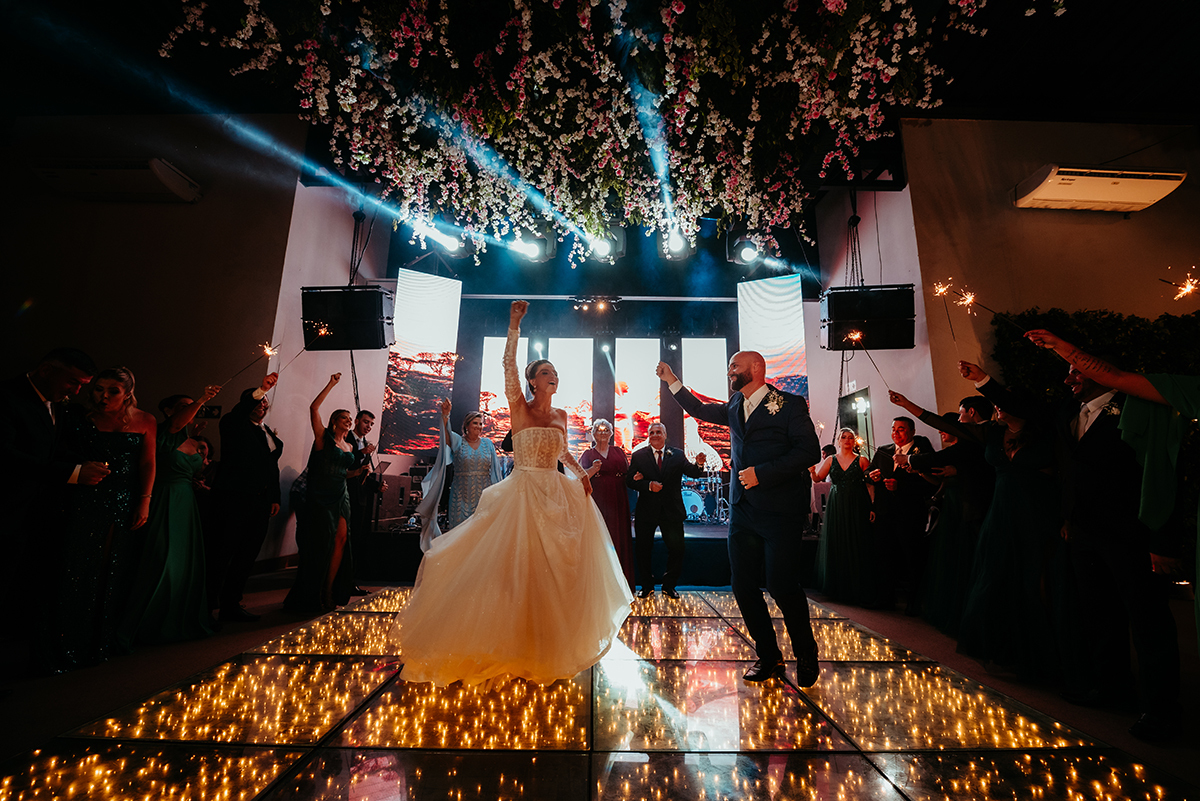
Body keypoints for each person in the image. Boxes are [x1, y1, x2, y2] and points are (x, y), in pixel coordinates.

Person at [390, 300, 631, 687]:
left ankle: (546, 641)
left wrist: (581, 475)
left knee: (554, 570)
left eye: (555, 372)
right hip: (522, 492)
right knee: (516, 568)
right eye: (546, 372)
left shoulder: (561, 416)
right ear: (532, 381)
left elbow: (563, 452)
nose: (553, 376)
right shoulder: (519, 407)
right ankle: (509, 642)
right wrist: (514, 324)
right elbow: (508, 367)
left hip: (555, 492)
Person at [1025, 329, 1185, 741]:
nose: (1068, 379)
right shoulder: (1069, 411)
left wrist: (1161, 540)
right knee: (1099, 612)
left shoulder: (1138, 409)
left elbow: (1161, 473)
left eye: (1076, 371)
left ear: (1104, 372)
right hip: (1084, 530)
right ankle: (1112, 686)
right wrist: (1068, 519)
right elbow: (1069, 470)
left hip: (1131, 532)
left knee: (1147, 620)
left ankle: (1162, 709)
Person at [657, 352, 821, 687]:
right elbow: (699, 409)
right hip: (743, 510)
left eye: (734, 366)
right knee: (742, 585)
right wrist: (671, 380)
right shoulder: (734, 405)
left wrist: (762, 473)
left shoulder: (790, 405)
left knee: (781, 586)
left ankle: (806, 652)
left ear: (756, 368)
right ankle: (769, 655)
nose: (729, 371)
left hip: (780, 511)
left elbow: (809, 452)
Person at [956, 360, 1065, 680]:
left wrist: (982, 379)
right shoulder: (993, 433)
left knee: (1034, 582)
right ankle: (1002, 648)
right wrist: (909, 405)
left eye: (1004, 401)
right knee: (994, 579)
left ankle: (1043, 656)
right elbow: (950, 426)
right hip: (1001, 513)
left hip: (1036, 511)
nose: (998, 407)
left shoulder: (1044, 432)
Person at [49, 367, 156, 670]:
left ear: (128, 394)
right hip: (82, 497)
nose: (103, 396)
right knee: (76, 568)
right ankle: (66, 642)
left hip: (123, 499)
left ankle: (100, 641)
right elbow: (58, 453)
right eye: (99, 389)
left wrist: (144, 500)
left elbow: (148, 463)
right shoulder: (79, 418)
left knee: (112, 569)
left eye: (112, 391)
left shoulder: (145, 420)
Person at [0, 348, 100, 657]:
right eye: (73, 382)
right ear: (46, 370)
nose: (77, 391)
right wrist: (73, 473)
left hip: (31, 513)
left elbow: (48, 448)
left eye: (82, 385)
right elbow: (7, 457)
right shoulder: (7, 398)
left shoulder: (54, 403)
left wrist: (85, 462)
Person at [119, 385, 222, 646]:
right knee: (160, 558)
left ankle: (180, 618)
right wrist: (202, 398)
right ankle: (147, 622)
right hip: (162, 497)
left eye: (192, 406)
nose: (191, 410)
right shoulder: (163, 432)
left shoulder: (194, 442)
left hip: (186, 503)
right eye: (183, 407)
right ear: (168, 411)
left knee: (185, 562)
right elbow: (175, 427)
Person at [210, 373, 283, 622]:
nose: (262, 405)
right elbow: (241, 412)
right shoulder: (233, 423)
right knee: (224, 551)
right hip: (235, 498)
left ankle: (231, 604)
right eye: (258, 401)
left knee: (247, 554)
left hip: (260, 501)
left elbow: (271, 466)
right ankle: (207, 605)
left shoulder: (266, 432)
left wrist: (274, 496)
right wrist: (261, 389)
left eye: (265, 402)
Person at [286, 373, 357, 614]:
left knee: (341, 539)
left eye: (350, 418)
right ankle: (313, 592)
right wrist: (331, 384)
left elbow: (342, 472)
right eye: (344, 417)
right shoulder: (323, 437)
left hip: (341, 493)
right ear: (334, 421)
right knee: (322, 543)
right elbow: (313, 408)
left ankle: (329, 589)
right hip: (321, 494)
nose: (349, 421)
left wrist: (357, 473)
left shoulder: (349, 446)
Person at [626, 422, 707, 599]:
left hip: (672, 511)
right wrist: (648, 485)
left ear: (665, 435)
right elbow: (629, 480)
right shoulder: (639, 455)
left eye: (658, 432)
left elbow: (693, 472)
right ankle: (647, 586)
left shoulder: (677, 454)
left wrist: (699, 464)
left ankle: (669, 586)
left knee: (677, 549)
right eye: (652, 432)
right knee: (643, 550)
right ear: (648, 436)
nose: (655, 435)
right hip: (647, 511)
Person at [866, 416, 936, 613]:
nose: (895, 433)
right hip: (884, 512)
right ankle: (885, 598)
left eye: (901, 429)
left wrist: (901, 486)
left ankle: (915, 602)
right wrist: (871, 475)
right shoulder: (884, 451)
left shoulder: (922, 453)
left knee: (912, 557)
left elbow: (930, 484)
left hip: (910, 513)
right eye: (893, 429)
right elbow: (869, 471)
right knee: (884, 556)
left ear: (912, 431)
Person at [415, 401, 503, 551]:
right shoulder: (457, 441)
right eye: (475, 423)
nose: (479, 426)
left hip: (483, 498)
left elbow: (495, 471)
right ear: (466, 426)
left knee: (482, 538)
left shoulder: (488, 444)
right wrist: (445, 415)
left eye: (481, 424)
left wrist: (498, 496)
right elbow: (445, 434)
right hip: (460, 497)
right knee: (458, 538)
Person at [811, 428, 874, 605]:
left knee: (856, 540)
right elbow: (818, 478)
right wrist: (812, 471)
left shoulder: (862, 460)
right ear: (838, 441)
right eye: (844, 437)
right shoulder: (831, 460)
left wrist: (872, 506)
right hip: (837, 504)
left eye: (850, 437)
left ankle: (856, 585)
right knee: (837, 539)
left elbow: (870, 485)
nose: (847, 440)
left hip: (857, 503)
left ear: (854, 441)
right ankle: (837, 586)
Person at [581, 418, 635, 589]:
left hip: (618, 500)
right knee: (599, 536)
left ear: (611, 433)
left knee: (618, 535)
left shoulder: (619, 452)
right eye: (599, 430)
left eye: (606, 430)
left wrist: (636, 477)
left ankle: (620, 584)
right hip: (597, 500)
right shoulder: (587, 455)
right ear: (593, 434)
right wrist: (593, 470)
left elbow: (628, 475)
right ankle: (599, 584)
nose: (603, 433)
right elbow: (580, 479)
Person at [344, 410, 380, 596]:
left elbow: (363, 472)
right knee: (346, 540)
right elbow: (348, 464)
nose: (369, 426)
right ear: (356, 421)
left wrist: (377, 485)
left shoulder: (365, 444)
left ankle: (351, 580)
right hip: (346, 494)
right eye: (366, 422)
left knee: (357, 540)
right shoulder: (347, 438)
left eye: (371, 424)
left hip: (361, 497)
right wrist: (361, 453)